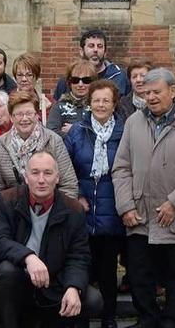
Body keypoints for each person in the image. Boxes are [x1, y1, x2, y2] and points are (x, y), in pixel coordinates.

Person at [112, 68, 175, 328]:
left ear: (172, 91)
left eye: (157, 92)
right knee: (138, 275)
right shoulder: (134, 122)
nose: (151, 98)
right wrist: (125, 206)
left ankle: (170, 321)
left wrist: (174, 203)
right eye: (147, 93)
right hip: (140, 216)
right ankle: (147, 319)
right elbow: (121, 167)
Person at [0, 151, 102, 328]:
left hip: (53, 283)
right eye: (35, 173)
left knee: (93, 300)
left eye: (47, 173)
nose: (41, 179)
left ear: (57, 177)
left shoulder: (73, 209)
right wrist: (28, 257)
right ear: (26, 177)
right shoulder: (6, 200)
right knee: (6, 270)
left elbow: (79, 256)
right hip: (18, 281)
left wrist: (73, 287)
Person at [63, 80, 125, 328]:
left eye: (105, 101)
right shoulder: (77, 132)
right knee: (83, 266)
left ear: (114, 104)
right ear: (90, 103)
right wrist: (77, 194)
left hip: (112, 209)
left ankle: (109, 317)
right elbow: (65, 168)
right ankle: (82, 317)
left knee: (108, 269)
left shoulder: (123, 132)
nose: (100, 105)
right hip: (83, 208)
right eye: (96, 100)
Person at [0, 91, 78, 200]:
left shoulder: (54, 140)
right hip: (13, 211)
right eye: (19, 114)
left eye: (29, 113)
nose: (25, 119)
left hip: (51, 208)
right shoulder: (0, 145)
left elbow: (69, 184)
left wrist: (60, 214)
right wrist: (5, 214)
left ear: (37, 115)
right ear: (11, 117)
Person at [52, 30, 130, 100]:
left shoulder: (120, 77)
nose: (95, 50)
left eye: (100, 46)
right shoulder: (69, 79)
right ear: (81, 51)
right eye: (91, 46)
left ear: (105, 52)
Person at [47, 60, 96, 137]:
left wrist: (74, 129)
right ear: (69, 83)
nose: (80, 84)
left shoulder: (98, 105)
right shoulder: (59, 106)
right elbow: (51, 133)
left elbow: (104, 131)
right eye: (75, 80)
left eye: (86, 80)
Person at [12, 52, 51, 120]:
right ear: (15, 77)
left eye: (29, 75)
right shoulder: (7, 100)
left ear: (36, 78)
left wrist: (45, 111)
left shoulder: (48, 102)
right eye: (20, 75)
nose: (24, 79)